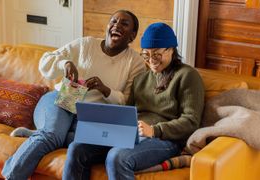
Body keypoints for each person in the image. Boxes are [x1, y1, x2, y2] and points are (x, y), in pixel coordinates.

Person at [1, 10, 145, 180]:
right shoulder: (86, 44)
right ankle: (11, 175)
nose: (117, 26)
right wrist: (65, 63)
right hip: (63, 97)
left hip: (92, 115)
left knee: (93, 140)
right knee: (52, 136)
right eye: (113, 21)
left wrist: (105, 90)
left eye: (124, 24)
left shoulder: (136, 62)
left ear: (132, 36)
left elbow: (127, 103)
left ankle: (36, 134)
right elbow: (45, 62)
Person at [63, 22, 205, 180]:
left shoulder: (188, 75)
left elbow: (191, 121)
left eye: (157, 54)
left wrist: (155, 130)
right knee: (77, 148)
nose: (151, 60)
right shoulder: (140, 79)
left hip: (164, 139)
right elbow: (128, 112)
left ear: (171, 49)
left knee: (117, 157)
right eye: (146, 55)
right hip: (131, 134)